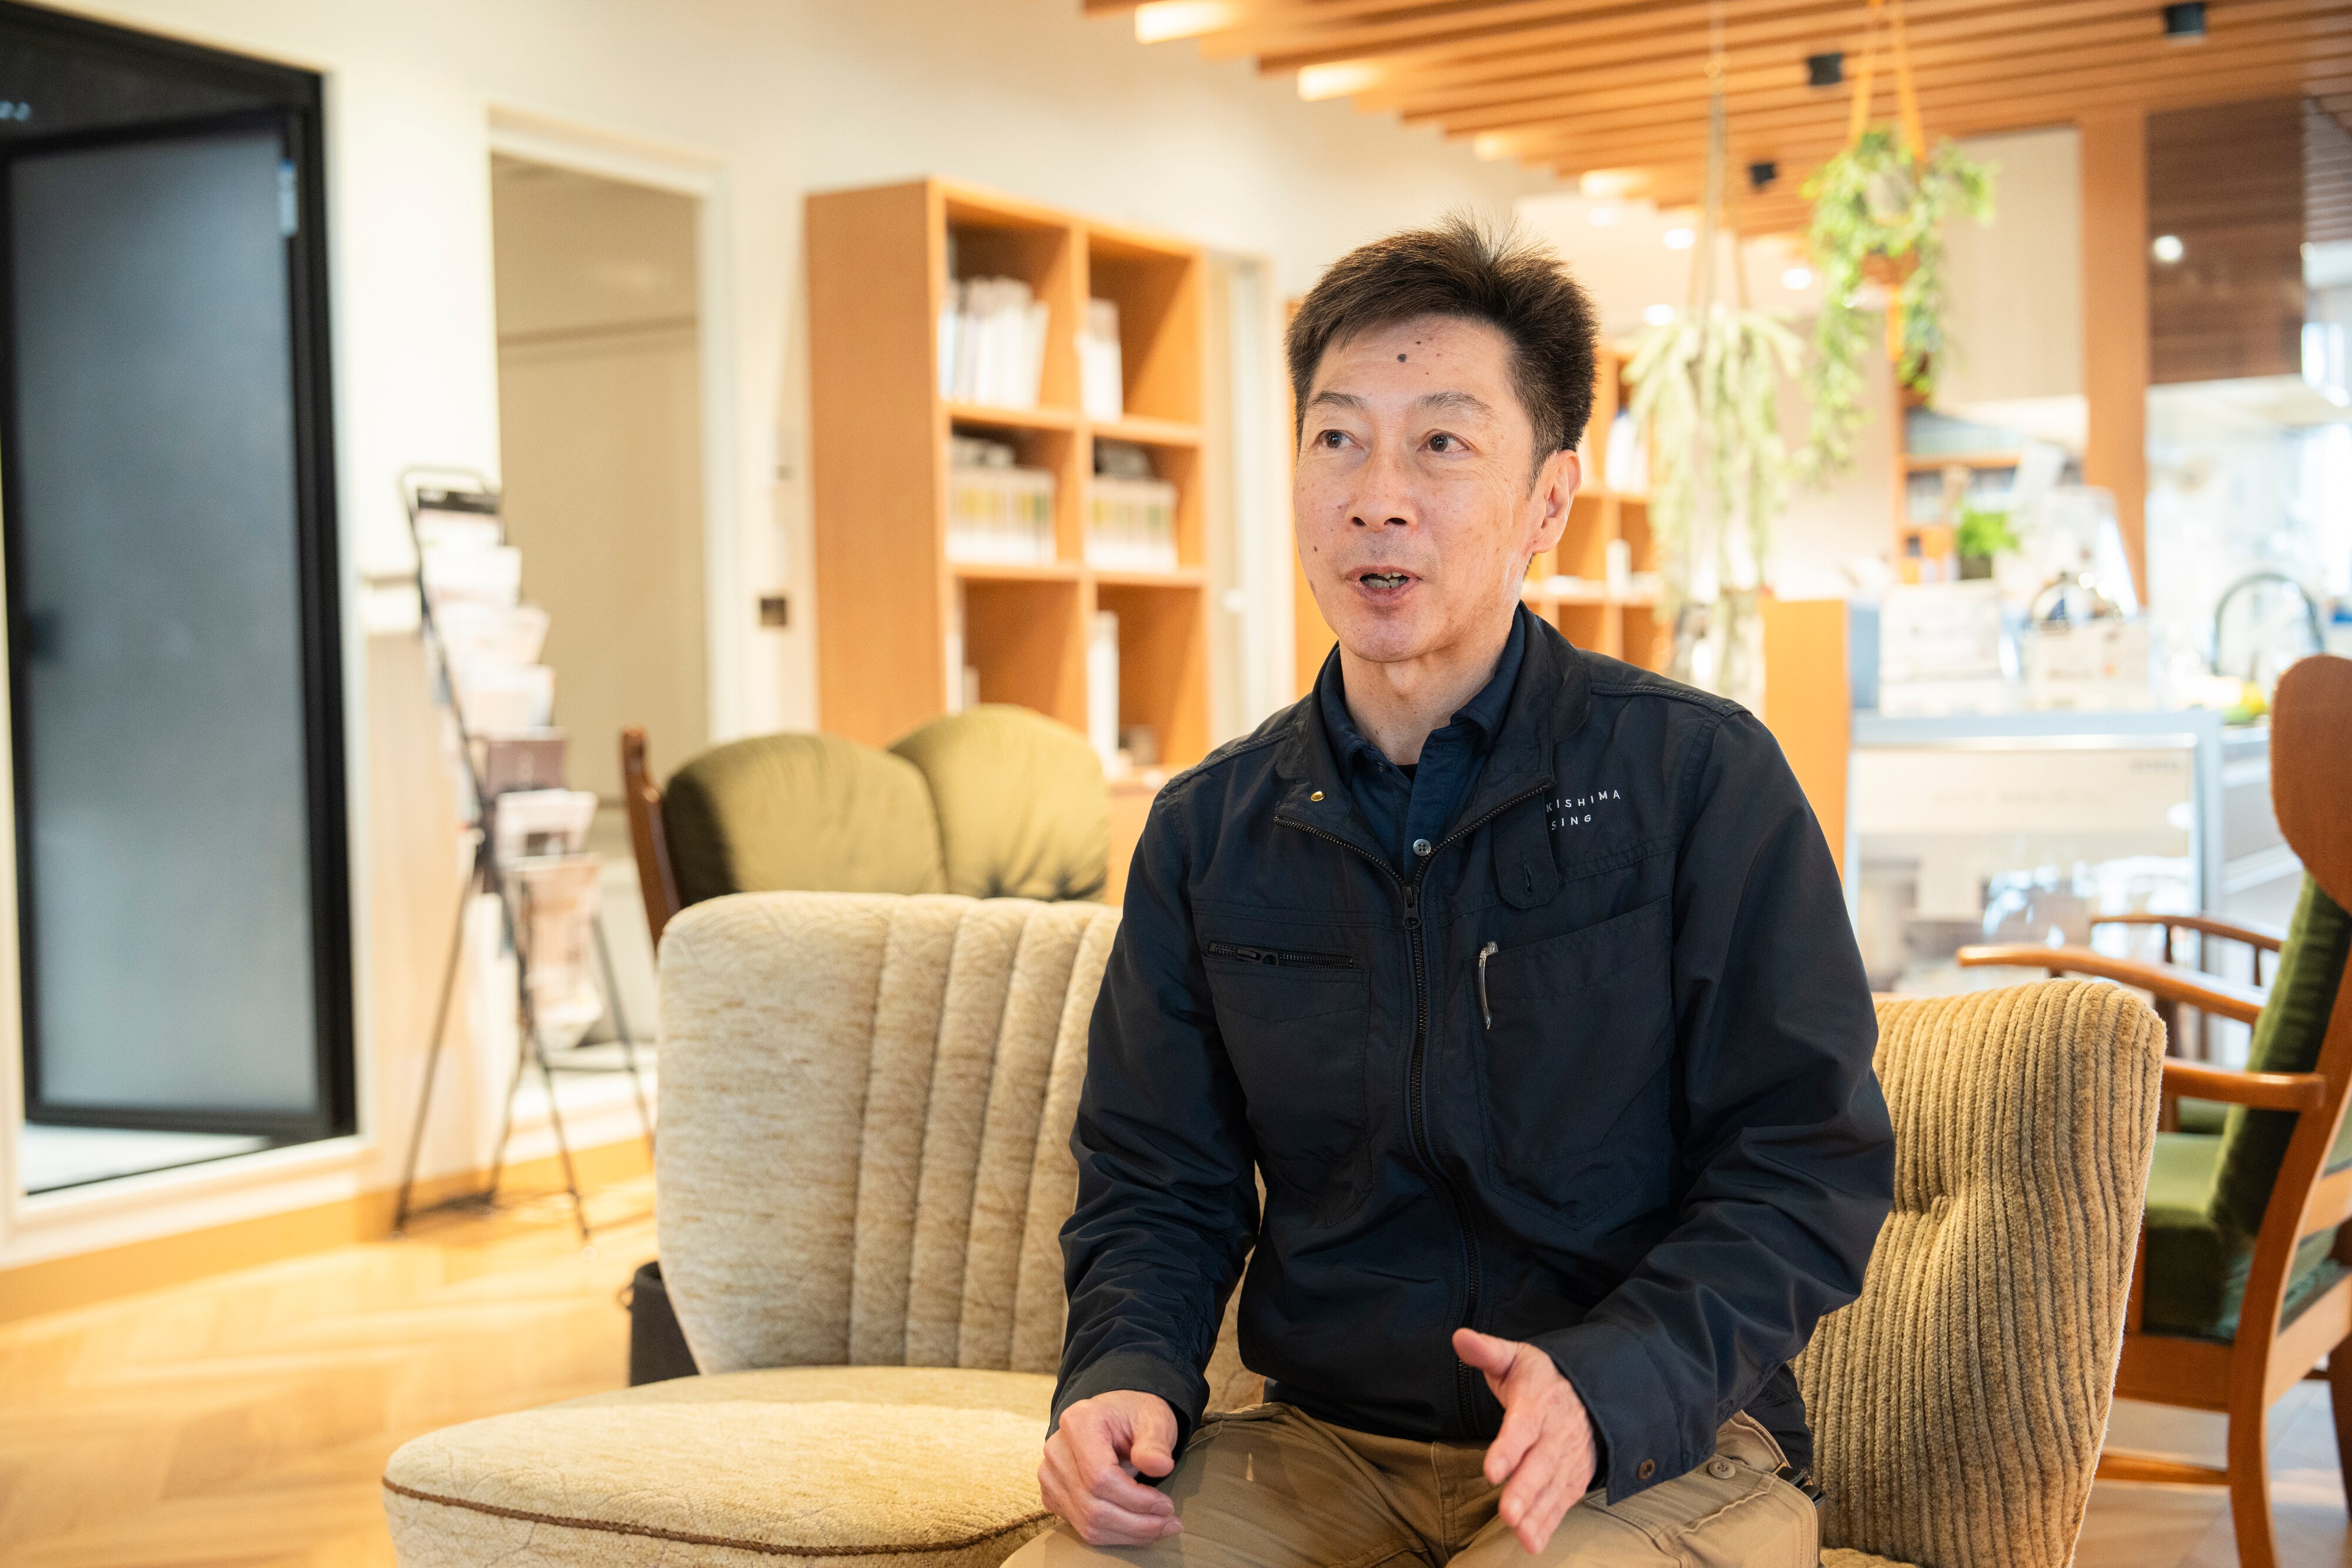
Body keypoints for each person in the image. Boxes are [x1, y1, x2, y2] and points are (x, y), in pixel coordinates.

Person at [1012, 216, 1894, 1567]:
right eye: (1335, 438)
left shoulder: (1697, 778)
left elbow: (1802, 1158)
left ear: (1548, 499)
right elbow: (1155, 1179)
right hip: (1319, 1448)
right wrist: (1121, 1372)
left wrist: (1609, 1381)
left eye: (1440, 442)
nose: (1377, 496)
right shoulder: (1206, 830)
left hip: (1653, 1445)